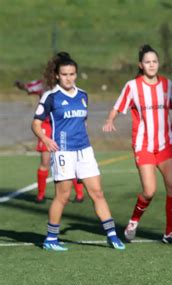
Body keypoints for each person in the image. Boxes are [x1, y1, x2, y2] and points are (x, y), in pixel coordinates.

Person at [103, 44, 172, 243]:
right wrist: (110, 120)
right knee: (149, 190)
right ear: (141, 65)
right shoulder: (132, 86)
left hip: (165, 145)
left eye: (154, 61)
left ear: (158, 63)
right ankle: (134, 221)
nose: (151, 65)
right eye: (147, 62)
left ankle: (169, 233)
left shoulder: (167, 85)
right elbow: (117, 107)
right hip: (143, 145)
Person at [31, 52, 125, 251]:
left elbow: (81, 122)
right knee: (63, 197)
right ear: (57, 75)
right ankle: (50, 239)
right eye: (64, 74)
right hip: (63, 151)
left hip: (85, 151)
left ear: (76, 74)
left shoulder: (83, 95)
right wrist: (46, 139)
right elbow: (36, 124)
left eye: (72, 74)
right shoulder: (51, 96)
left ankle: (112, 235)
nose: (68, 78)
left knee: (97, 192)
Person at [15, 74, 84, 203]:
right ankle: (41, 195)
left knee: (70, 160)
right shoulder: (42, 84)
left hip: (63, 125)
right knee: (45, 161)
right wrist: (21, 85)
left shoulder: (68, 86)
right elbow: (28, 87)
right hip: (46, 126)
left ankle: (79, 193)